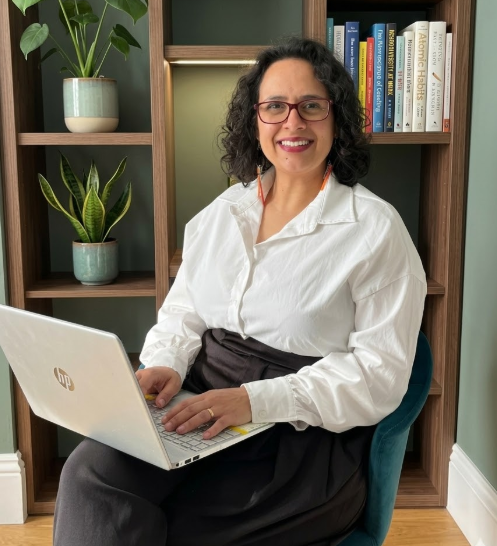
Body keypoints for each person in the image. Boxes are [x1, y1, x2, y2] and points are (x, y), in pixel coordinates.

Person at [54, 37, 427, 546]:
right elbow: (184, 311)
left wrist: (254, 400)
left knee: (180, 525)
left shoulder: (377, 230)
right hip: (198, 400)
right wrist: (165, 364)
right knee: (89, 477)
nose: (292, 123)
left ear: (335, 118)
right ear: (255, 119)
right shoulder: (223, 212)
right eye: (275, 106)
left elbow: (380, 377)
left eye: (311, 106)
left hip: (298, 436)